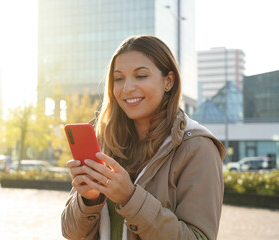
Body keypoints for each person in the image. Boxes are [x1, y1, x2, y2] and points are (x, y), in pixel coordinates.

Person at [61, 35, 226, 240]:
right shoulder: (104, 141)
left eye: (140, 76)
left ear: (168, 81)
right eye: (118, 78)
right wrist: (89, 200)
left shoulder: (198, 147)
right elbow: (70, 233)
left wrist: (130, 198)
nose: (127, 88)